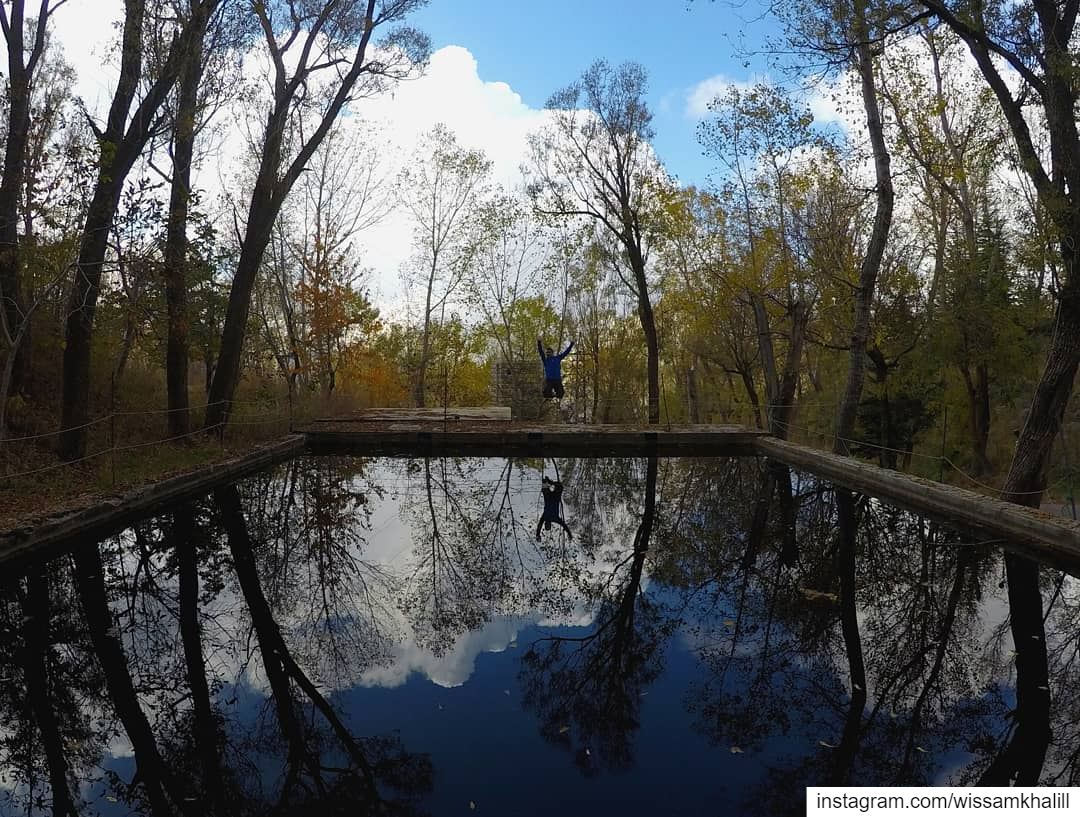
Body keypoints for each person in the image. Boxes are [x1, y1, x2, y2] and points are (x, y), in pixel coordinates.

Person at [536, 475, 572, 540]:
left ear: (550, 524)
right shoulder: (545, 517)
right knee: (552, 487)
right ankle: (547, 482)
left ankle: (547, 483)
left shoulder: (555, 519)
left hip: (553, 498)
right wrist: (537, 535)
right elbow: (539, 526)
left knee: (560, 486)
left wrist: (569, 534)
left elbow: (564, 525)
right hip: (551, 498)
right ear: (547, 523)